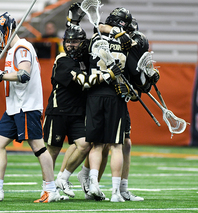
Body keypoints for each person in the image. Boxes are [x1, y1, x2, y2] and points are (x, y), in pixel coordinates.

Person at [0, 12, 61, 203]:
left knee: (38, 147)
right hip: (14, 107)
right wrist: (0, 73)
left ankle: (51, 189)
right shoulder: (13, 49)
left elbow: (24, 74)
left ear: (7, 30)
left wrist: (0, 75)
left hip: (26, 106)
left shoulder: (22, 47)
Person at [84, 7, 135, 202]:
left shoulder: (96, 39)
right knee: (115, 145)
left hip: (95, 93)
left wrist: (106, 30)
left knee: (96, 145)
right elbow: (132, 70)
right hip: (115, 94)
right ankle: (115, 192)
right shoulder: (127, 43)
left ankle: (94, 185)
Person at [43, 24, 91, 198]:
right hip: (58, 111)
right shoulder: (62, 59)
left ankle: (63, 178)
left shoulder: (86, 59)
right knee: (52, 151)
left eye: (75, 41)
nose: (71, 44)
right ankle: (47, 189)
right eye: (68, 41)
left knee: (85, 145)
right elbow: (81, 80)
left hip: (78, 113)